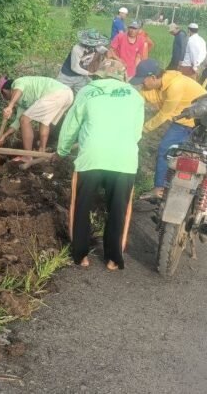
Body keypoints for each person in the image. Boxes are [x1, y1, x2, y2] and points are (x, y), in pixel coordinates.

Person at [57, 59, 144, 270]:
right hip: (123, 159)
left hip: (91, 157)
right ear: (123, 76)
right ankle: (113, 259)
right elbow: (137, 133)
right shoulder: (135, 96)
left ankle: (81, 256)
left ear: (99, 75)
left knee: (81, 205)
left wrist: (63, 150)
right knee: (118, 209)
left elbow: (71, 124)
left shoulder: (87, 91)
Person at [131, 60, 207, 200]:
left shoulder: (175, 85)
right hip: (182, 119)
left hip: (199, 120)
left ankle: (159, 189)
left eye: (143, 81)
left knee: (168, 151)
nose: (142, 84)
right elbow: (136, 100)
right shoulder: (154, 86)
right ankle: (162, 188)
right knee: (172, 152)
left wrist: (142, 130)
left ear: (153, 77)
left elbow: (164, 115)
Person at [0, 76, 74, 157]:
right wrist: (4, 136)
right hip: (67, 95)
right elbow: (17, 122)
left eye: (4, 97)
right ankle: (42, 150)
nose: (7, 99)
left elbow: (18, 90)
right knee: (43, 121)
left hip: (59, 93)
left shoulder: (18, 82)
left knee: (25, 119)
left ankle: (28, 156)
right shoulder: (22, 102)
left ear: (4, 91)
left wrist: (10, 106)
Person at [56, 29, 110, 95]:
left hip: (81, 76)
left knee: (83, 95)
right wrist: (90, 73)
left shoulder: (96, 46)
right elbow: (75, 67)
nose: (95, 45)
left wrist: (107, 57)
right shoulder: (77, 49)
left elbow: (104, 50)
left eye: (96, 43)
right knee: (59, 94)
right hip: (67, 76)